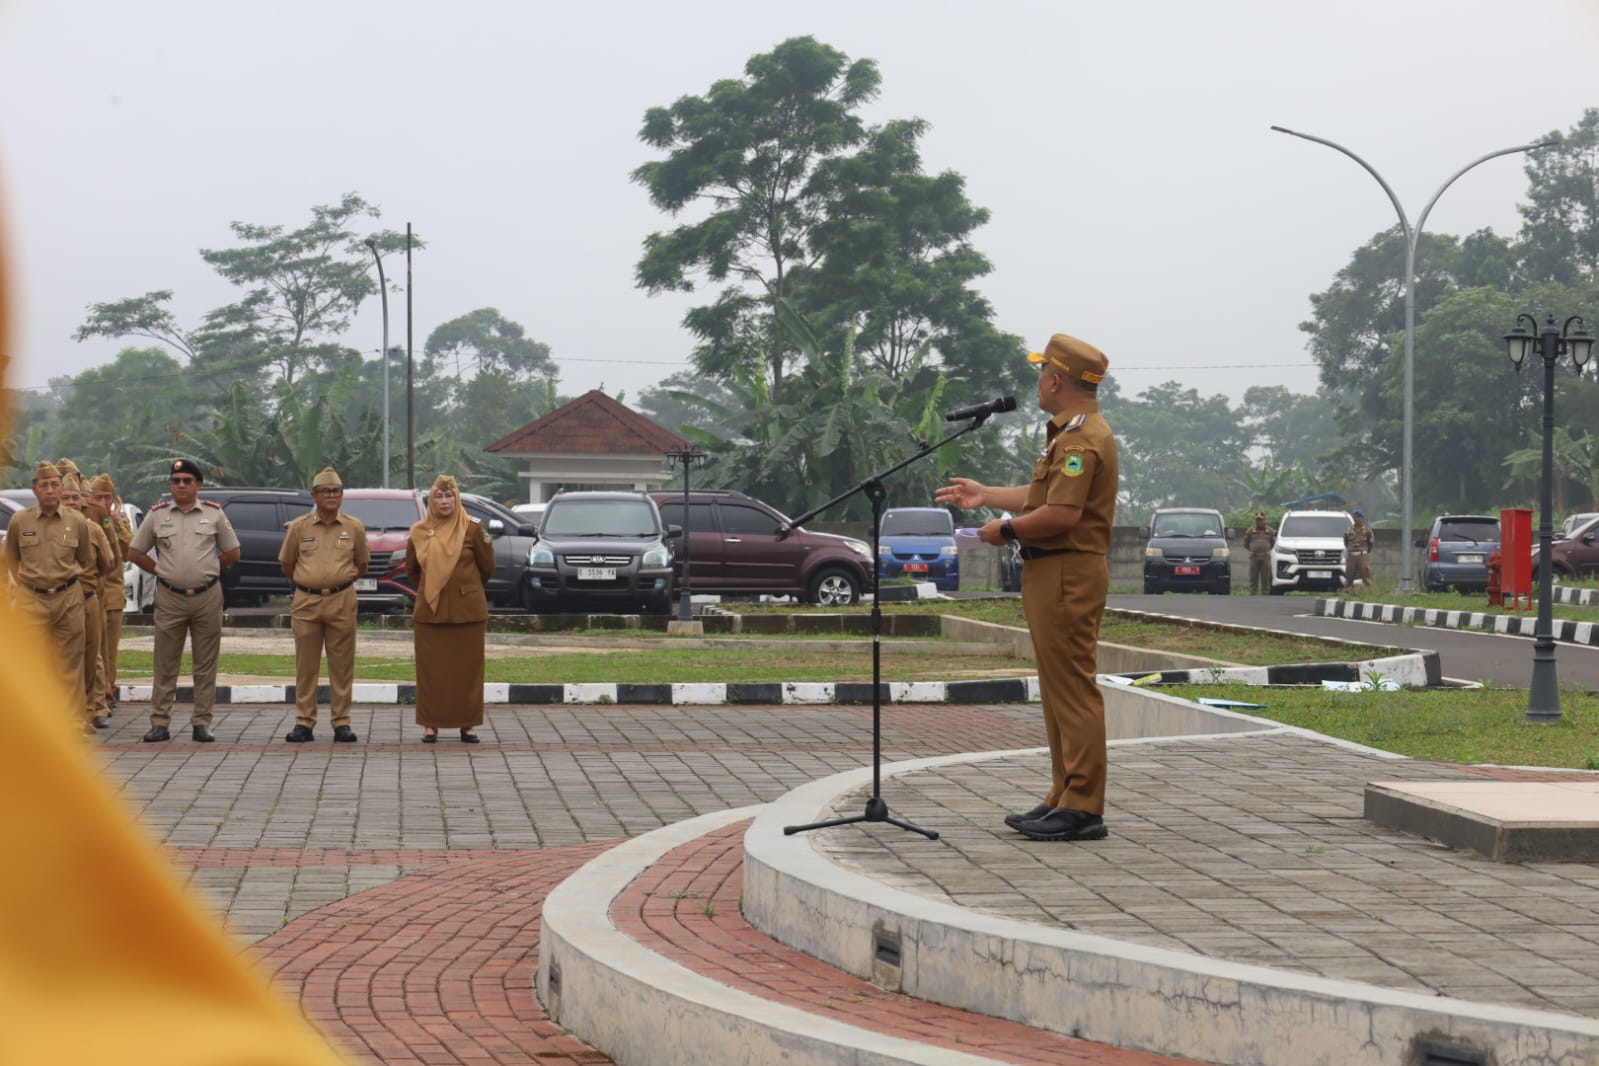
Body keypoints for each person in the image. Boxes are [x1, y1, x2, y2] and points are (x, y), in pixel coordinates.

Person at [934, 332, 1119, 843]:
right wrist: (987, 495)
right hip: (1054, 571)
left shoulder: (1080, 439)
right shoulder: (1071, 434)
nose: (1038, 381)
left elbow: (1062, 514)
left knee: (1073, 688)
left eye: (1042, 371)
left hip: (1067, 571)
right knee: (1058, 689)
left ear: (1056, 380)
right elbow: (1043, 496)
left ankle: (1083, 805)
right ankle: (1064, 793)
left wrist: (1006, 530)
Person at [126, 459, 241, 743]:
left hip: (207, 597)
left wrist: (209, 567)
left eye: (187, 481)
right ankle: (159, 722)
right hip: (170, 598)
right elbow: (135, 552)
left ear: (197, 485)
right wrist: (161, 571)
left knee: (205, 663)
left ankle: (202, 722)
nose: (181, 485)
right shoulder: (157, 515)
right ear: (170, 485)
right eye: (176, 481)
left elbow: (233, 552)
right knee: (165, 663)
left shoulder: (214, 514)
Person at [278, 467, 369, 743]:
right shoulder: (300, 527)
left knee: (342, 666)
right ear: (314, 495)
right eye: (325, 491)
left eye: (336, 491)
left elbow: (362, 564)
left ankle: (341, 723)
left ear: (342, 495)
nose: (331, 495)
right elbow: (287, 564)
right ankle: (304, 722)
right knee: (306, 666)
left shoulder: (354, 527)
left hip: (342, 600)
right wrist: (310, 581)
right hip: (307, 601)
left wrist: (340, 581)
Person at [2, 462, 95, 731]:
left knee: (71, 661)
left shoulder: (77, 521)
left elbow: (85, 559)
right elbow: (11, 560)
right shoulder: (20, 520)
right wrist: (28, 583)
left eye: (55, 485)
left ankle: (73, 721)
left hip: (68, 597)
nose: (51, 490)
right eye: (44, 485)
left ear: (61, 488)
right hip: (31, 598)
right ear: (35, 489)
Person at [405, 474, 494, 743]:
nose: (444, 501)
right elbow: (412, 570)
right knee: (431, 672)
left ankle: (467, 724)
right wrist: (433, 588)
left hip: (468, 612)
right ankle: (430, 724)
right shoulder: (419, 531)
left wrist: (464, 589)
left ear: (457, 498)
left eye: (449, 495)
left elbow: (487, 567)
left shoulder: (473, 529)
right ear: (431, 501)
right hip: (430, 612)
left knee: (468, 671)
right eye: (438, 496)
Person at [59, 472, 119, 730]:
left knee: (93, 655)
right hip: (57, 602)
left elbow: (109, 562)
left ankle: (95, 707)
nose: (71, 502)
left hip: (86, 598)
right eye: (66, 498)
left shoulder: (93, 527)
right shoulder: (45, 527)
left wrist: (89, 584)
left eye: (75, 497)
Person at [90, 472, 136, 711]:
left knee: (110, 650)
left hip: (111, 593)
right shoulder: (84, 519)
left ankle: (109, 690)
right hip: (90, 593)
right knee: (93, 650)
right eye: (98, 497)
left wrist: (115, 521)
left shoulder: (117, 521)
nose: (103, 502)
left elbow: (131, 551)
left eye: (107, 497)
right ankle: (95, 695)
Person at [1243, 511, 1276, 595]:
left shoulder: (1270, 531)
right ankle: (1252, 593)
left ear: (1264, 520)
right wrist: (1252, 550)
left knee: (1266, 577)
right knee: (1253, 577)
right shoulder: (1250, 531)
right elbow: (1246, 544)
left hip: (1265, 557)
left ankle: (1265, 593)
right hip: (1254, 557)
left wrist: (1267, 550)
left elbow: (1273, 543)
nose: (1259, 522)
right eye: (1257, 520)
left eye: (1261, 520)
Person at [1343, 508, 1375, 589]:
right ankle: (1347, 591)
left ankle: (1369, 591)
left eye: (1359, 517)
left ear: (1362, 518)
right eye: (1355, 517)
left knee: (1366, 575)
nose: (1356, 519)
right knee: (1349, 575)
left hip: (1362, 556)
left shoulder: (1367, 531)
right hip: (1351, 556)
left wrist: (1365, 552)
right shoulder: (1348, 530)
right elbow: (1345, 542)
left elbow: (1371, 543)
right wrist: (1351, 550)